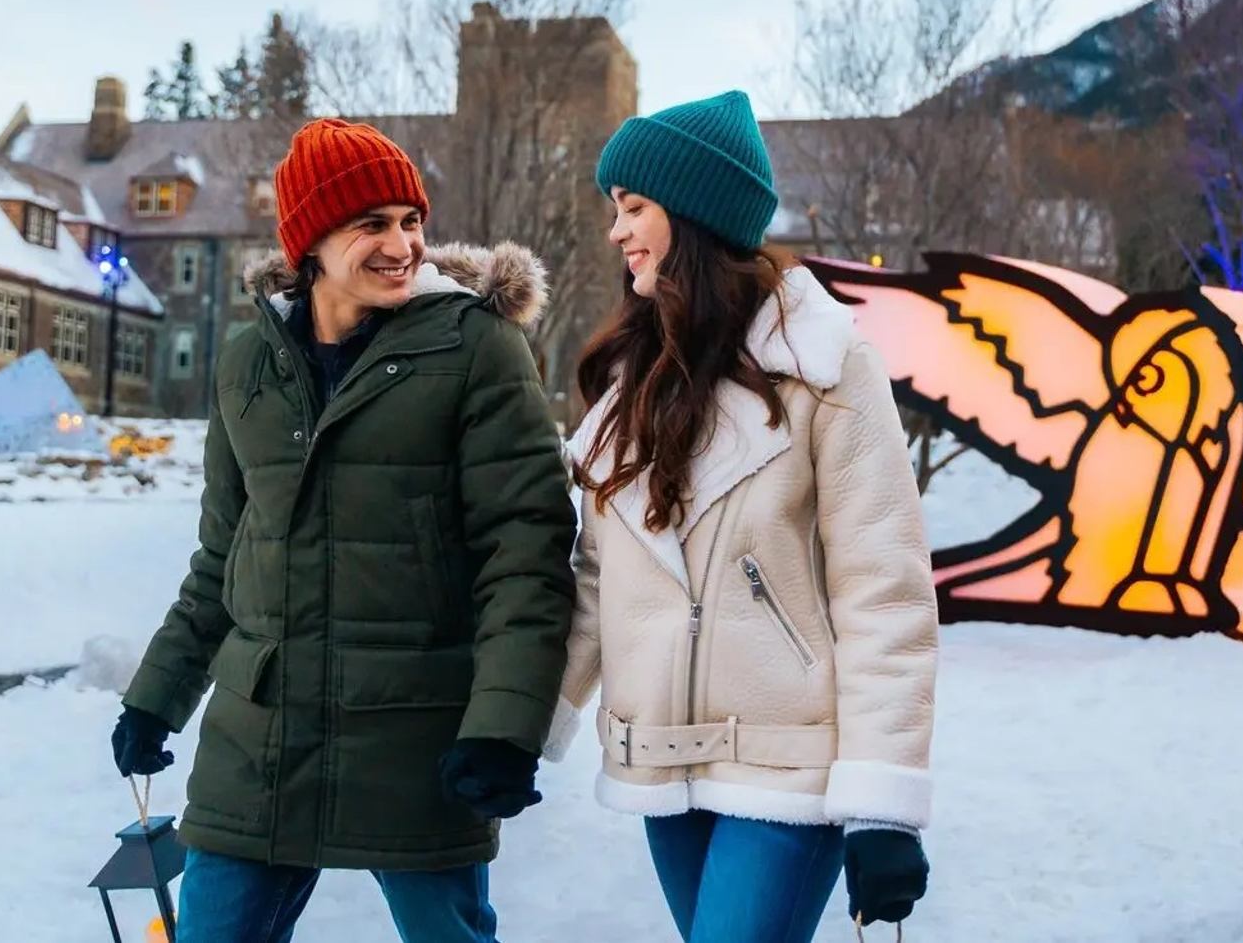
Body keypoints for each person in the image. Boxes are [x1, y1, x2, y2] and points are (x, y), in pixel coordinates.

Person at [110, 118, 576, 943]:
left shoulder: (477, 348)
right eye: (372, 224)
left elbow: (525, 552)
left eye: (411, 221)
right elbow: (225, 554)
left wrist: (505, 727)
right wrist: (156, 696)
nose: (402, 245)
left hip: (416, 737)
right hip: (260, 742)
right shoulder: (247, 365)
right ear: (311, 242)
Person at [545, 91, 939, 942]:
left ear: (692, 212)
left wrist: (883, 801)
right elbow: (599, 581)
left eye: (634, 207)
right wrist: (520, 723)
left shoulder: (828, 369)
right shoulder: (633, 388)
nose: (616, 231)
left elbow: (885, 591)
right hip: (663, 758)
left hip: (791, 769)